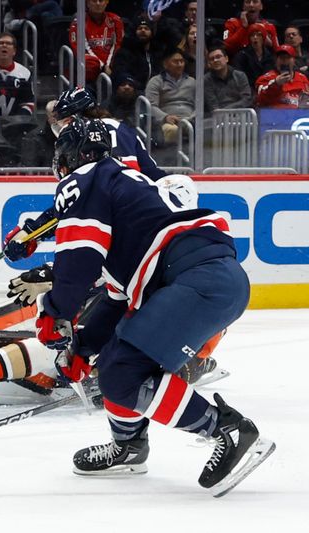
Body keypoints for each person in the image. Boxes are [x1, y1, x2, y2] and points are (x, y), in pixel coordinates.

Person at [35, 117, 274, 496]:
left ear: (67, 158)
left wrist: (54, 312)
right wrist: (82, 348)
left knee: (122, 373)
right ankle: (129, 447)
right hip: (203, 278)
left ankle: (227, 430)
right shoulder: (124, 191)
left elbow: (77, 261)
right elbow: (116, 300)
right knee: (116, 359)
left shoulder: (86, 180)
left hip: (197, 279)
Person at [145, 48, 196, 146]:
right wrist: (165, 117)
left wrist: (192, 117)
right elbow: (150, 106)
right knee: (171, 130)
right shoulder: (155, 81)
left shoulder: (192, 81)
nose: (180, 64)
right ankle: (171, 160)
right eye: (176, 62)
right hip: (168, 121)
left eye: (182, 61)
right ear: (165, 64)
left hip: (191, 119)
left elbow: (200, 104)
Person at [68, 0, 124, 81]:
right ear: (87, 3)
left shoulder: (116, 20)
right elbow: (79, 48)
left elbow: (118, 45)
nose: (98, 4)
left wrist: (108, 65)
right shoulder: (78, 22)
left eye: (101, 1)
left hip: (112, 65)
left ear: (106, 2)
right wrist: (103, 67)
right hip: (91, 70)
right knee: (89, 63)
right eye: (94, 1)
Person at [112, 17, 163, 90]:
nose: (143, 30)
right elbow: (120, 73)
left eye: (146, 28)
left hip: (155, 91)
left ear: (152, 33)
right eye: (140, 28)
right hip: (134, 90)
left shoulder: (157, 53)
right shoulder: (125, 52)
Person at [255, 44, 309, 108]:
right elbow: (260, 100)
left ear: (294, 60)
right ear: (276, 60)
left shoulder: (302, 78)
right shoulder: (265, 79)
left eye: (288, 57)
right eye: (281, 57)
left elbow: (306, 102)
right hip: (274, 115)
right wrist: (275, 84)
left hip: (297, 115)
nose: (284, 60)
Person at [205, 45, 253, 113]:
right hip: (218, 117)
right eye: (212, 59)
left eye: (218, 57)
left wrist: (228, 109)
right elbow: (213, 106)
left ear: (226, 59)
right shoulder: (206, 80)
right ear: (209, 64)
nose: (215, 60)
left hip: (241, 114)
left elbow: (247, 100)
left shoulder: (240, 75)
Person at [232, 23, 276, 88]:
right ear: (249, 39)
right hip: (247, 88)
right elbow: (239, 77)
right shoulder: (241, 55)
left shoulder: (270, 56)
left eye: (259, 35)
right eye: (252, 35)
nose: (255, 37)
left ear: (263, 38)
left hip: (265, 88)